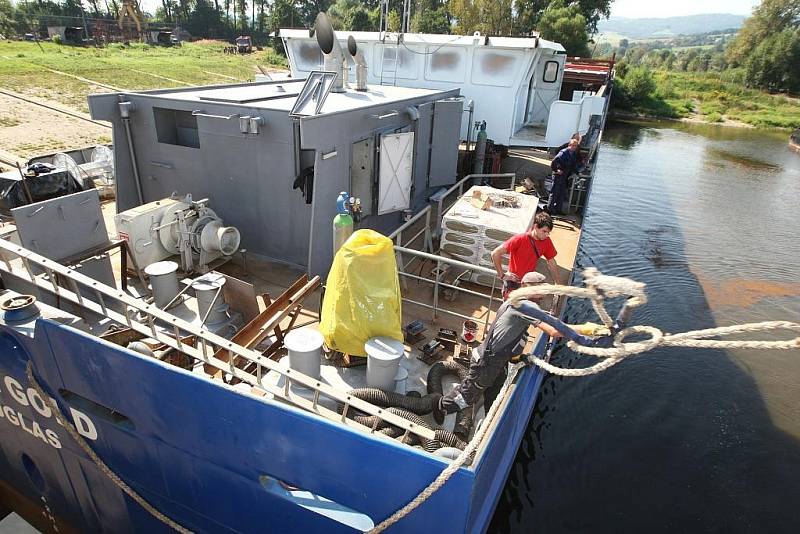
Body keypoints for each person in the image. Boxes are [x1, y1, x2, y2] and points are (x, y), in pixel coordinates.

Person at [433, 272, 607, 423]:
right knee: (468, 394)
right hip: (487, 362)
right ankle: (442, 407)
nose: (542, 291)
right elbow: (553, 331)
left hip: (496, 358)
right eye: (538, 287)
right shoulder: (526, 306)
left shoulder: (514, 299)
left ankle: (489, 416)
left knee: (496, 387)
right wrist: (585, 329)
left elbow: (514, 334)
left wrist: (515, 357)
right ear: (526, 286)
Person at [491, 211, 561, 299]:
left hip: (528, 285)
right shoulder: (520, 239)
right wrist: (502, 275)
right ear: (535, 226)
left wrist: (558, 283)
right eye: (544, 231)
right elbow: (495, 253)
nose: (546, 235)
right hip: (513, 284)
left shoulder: (547, 241)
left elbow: (551, 262)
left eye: (548, 232)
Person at [547, 138, 580, 215]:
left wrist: (577, 172)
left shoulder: (573, 153)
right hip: (558, 175)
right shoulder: (563, 153)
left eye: (575, 146)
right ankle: (550, 210)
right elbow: (553, 162)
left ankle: (558, 209)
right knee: (554, 192)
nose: (574, 147)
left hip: (565, 176)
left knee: (562, 193)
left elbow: (573, 165)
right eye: (573, 145)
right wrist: (556, 170)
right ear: (569, 145)